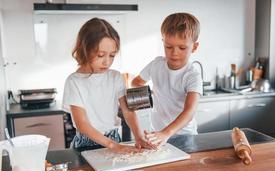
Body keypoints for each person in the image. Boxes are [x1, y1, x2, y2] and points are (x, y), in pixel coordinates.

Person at [63, 18, 152, 153]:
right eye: (100, 55)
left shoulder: (115, 77)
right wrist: (113, 146)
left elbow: (128, 111)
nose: (107, 62)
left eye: (112, 55)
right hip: (85, 143)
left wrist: (139, 136)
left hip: (114, 138)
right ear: (85, 49)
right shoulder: (74, 81)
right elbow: (82, 124)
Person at [131, 13, 202, 148]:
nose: (174, 53)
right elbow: (136, 82)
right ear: (163, 42)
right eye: (168, 47)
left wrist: (166, 133)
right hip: (157, 133)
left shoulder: (192, 75)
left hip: (185, 136)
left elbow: (189, 112)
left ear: (194, 47)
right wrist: (148, 96)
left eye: (182, 48)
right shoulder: (156, 64)